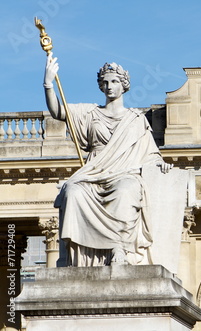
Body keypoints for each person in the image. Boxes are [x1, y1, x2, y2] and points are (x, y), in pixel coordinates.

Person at [44, 54, 171, 266]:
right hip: (94, 172)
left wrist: (160, 164)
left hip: (125, 173)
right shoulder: (89, 112)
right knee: (73, 191)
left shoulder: (136, 119)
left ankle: (118, 248)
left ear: (124, 85)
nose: (109, 86)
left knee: (125, 191)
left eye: (114, 81)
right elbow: (58, 111)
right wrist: (48, 83)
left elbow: (150, 154)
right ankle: (78, 257)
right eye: (105, 82)